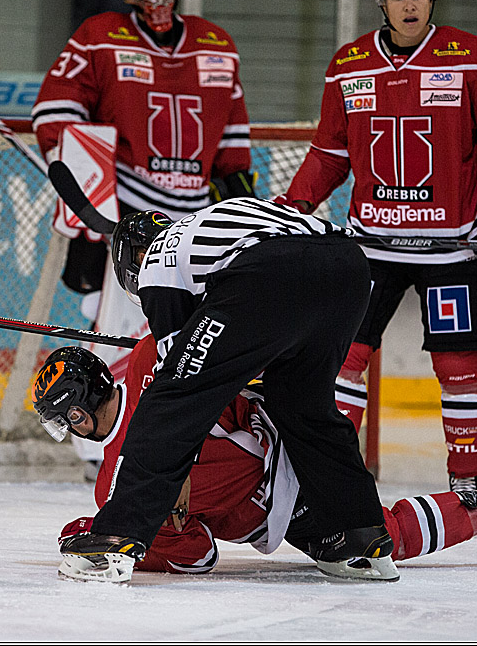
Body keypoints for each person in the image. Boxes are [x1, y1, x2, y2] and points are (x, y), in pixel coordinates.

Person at [275, 0, 477, 498]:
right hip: (369, 248)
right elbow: (330, 151)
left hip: (452, 247)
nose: (409, 3)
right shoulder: (349, 63)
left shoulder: (472, 56)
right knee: (340, 361)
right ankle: (334, 482)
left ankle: (465, 487)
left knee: (461, 369)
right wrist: (291, 205)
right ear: (381, 2)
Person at [46, 197, 397, 583]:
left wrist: (175, 473)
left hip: (271, 271)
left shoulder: (158, 264)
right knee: (302, 404)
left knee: (168, 402)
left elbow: (182, 389)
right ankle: (361, 536)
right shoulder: (203, 236)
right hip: (348, 268)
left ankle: (117, 537)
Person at [31, 340, 477, 579]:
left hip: (277, 493)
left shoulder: (116, 489)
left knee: (374, 541)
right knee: (371, 534)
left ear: (77, 417)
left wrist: (105, 531)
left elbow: (199, 555)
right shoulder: (152, 353)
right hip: (296, 420)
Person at [31, 0, 255, 478]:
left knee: (198, 332)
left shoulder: (216, 43)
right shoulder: (98, 36)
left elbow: (232, 147)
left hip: (199, 216)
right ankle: (99, 447)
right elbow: (55, 114)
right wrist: (87, 188)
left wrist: (241, 203)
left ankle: (193, 431)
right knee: (120, 326)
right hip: (130, 213)